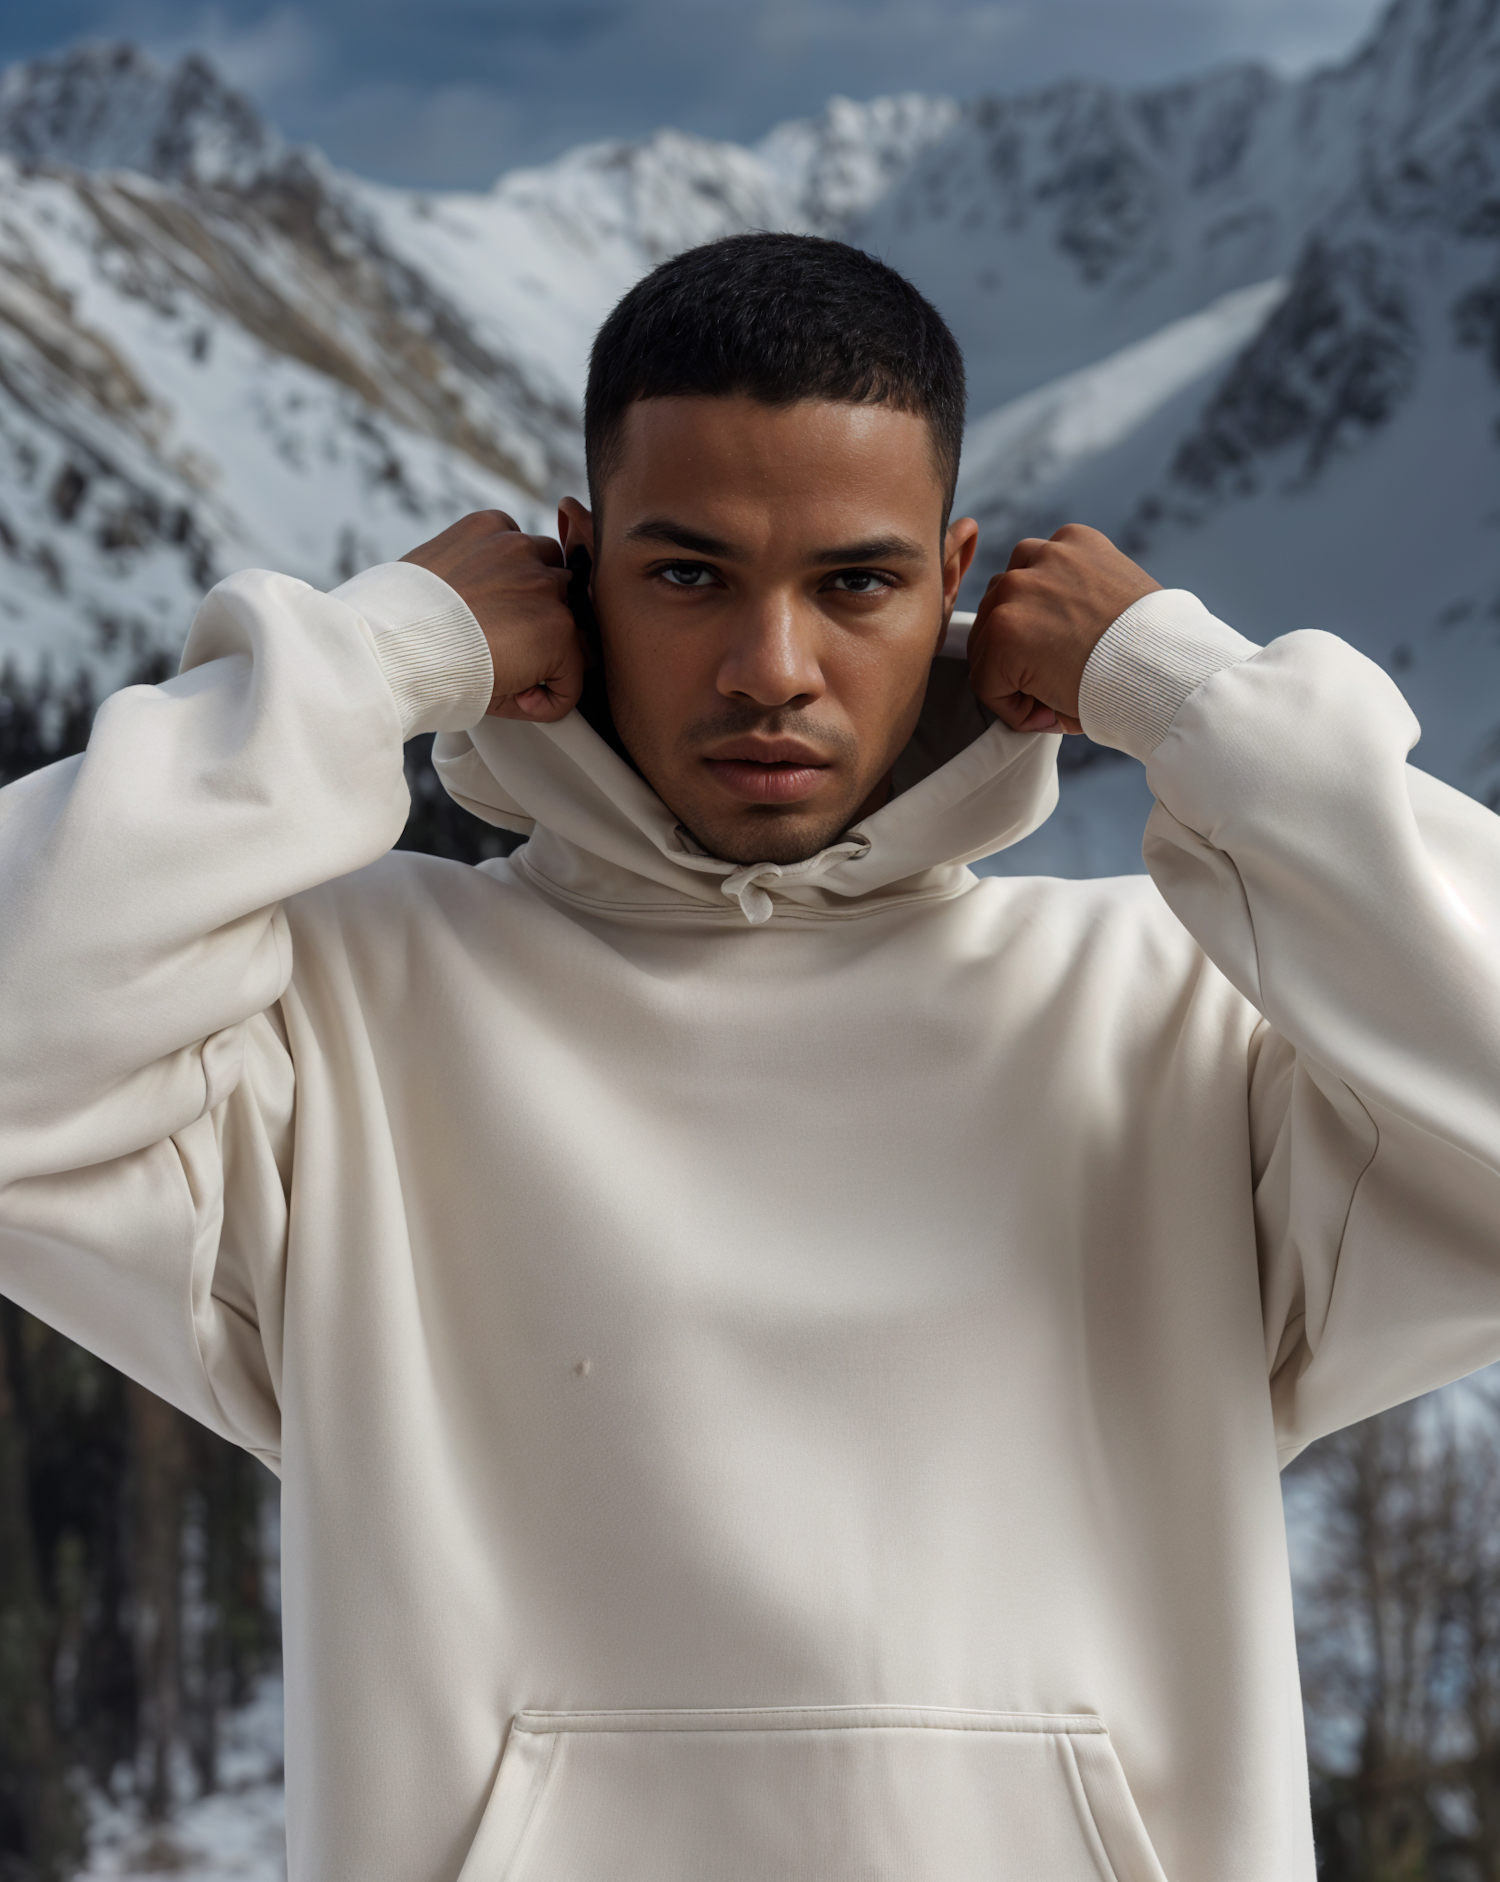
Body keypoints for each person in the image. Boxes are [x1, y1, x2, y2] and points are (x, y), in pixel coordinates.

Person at [2, 230, 1499, 1882]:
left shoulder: (1177, 1025)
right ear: (575, 571)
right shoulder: (339, 1019)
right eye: (688, 572)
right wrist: (372, 664)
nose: (769, 668)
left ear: (958, 579)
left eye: (853, 582)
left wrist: (1196, 700)